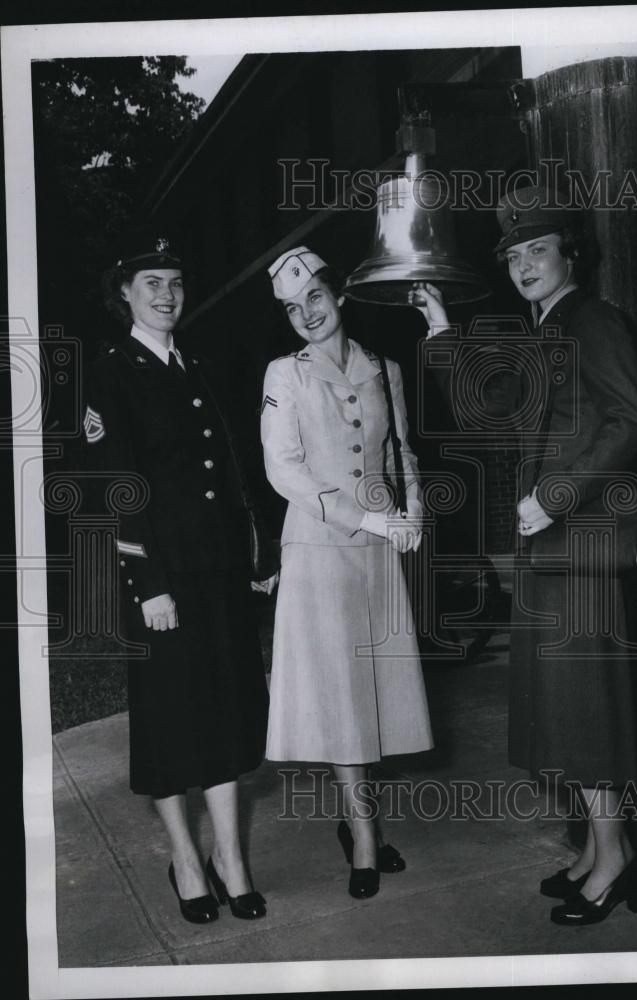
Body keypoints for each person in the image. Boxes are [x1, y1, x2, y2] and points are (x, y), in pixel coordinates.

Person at [413, 187, 637, 926]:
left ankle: (615, 863)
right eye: (513, 256)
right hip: (547, 553)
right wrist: (439, 328)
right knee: (564, 716)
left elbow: (632, 421)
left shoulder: (594, 321)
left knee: (587, 716)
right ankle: (597, 850)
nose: (523, 265)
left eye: (536, 250)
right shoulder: (542, 330)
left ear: (568, 254)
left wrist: (555, 497)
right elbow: (489, 414)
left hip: (578, 548)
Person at [82, 231, 278, 923]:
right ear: (124, 296)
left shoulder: (192, 362)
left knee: (224, 710)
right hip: (163, 579)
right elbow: (119, 488)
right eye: (151, 284)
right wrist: (149, 585)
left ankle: (231, 858)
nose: (167, 294)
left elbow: (224, 471)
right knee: (172, 719)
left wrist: (255, 559)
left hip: (217, 573)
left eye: (175, 282)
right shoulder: (112, 369)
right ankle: (187, 862)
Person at [260, 246, 433, 899]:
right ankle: (363, 836)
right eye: (291, 307)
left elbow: (402, 452)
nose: (306, 314)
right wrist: (372, 522)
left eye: (315, 298)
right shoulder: (286, 376)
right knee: (339, 695)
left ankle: (360, 822)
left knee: (373, 692)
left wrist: (413, 512)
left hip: (380, 550)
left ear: (338, 296)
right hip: (320, 547)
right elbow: (284, 470)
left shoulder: (383, 370)